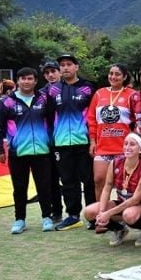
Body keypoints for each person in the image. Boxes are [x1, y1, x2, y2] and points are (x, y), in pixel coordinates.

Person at [0, 67, 55, 234]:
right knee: (19, 188)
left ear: (35, 81)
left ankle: (47, 217)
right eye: (23, 79)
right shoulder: (7, 102)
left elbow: (52, 122)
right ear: (17, 81)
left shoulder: (44, 99)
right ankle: (20, 220)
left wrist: (52, 145)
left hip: (42, 151)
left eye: (30, 79)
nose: (26, 82)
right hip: (17, 153)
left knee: (44, 186)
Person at [46, 54, 96, 231]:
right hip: (61, 143)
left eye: (69, 64)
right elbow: (47, 116)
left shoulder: (88, 88)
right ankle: (73, 216)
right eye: (62, 65)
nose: (65, 68)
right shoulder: (52, 90)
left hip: (83, 141)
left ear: (76, 67)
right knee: (68, 181)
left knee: (89, 180)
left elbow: (94, 116)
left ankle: (93, 216)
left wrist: (93, 140)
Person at [84, 133, 141, 246]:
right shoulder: (115, 163)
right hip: (122, 202)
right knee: (89, 212)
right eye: (126, 144)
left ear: (140, 149)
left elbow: (135, 200)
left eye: (132, 144)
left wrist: (108, 213)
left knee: (129, 215)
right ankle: (119, 229)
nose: (127, 147)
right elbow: (107, 188)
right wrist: (102, 212)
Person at [88, 64, 136, 200]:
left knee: (124, 184)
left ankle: (121, 214)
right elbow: (92, 119)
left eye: (117, 74)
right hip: (103, 146)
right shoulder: (99, 93)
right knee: (99, 180)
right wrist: (92, 141)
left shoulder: (132, 94)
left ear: (124, 77)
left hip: (123, 148)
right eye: (111, 73)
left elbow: (137, 120)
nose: (113, 77)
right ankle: (100, 213)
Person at [39, 62, 63, 222]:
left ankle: (79, 213)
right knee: (51, 178)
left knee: (70, 178)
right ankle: (57, 212)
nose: (50, 75)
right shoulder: (40, 93)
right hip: (49, 141)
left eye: (53, 71)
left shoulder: (70, 89)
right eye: (47, 73)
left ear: (60, 72)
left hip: (70, 140)